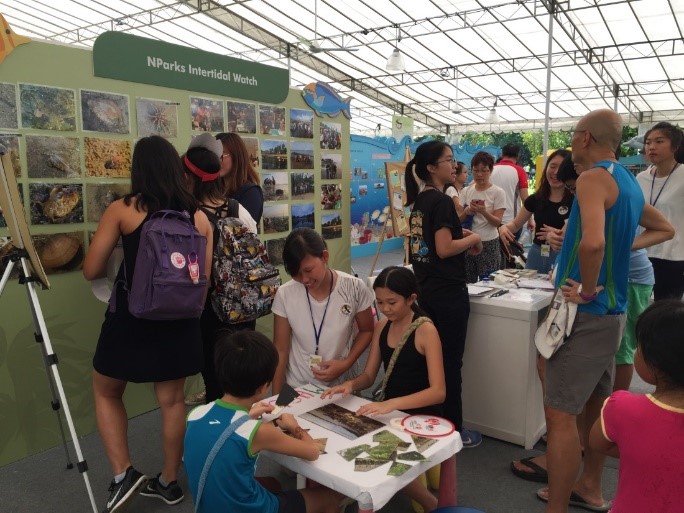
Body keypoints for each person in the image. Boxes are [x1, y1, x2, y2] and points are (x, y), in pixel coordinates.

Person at [536, 109, 674, 513]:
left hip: (587, 312)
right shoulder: (628, 182)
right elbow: (665, 228)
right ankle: (590, 488)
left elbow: (592, 244)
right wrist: (617, 252)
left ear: (584, 138)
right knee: (594, 406)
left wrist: (592, 284)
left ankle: (556, 507)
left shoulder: (595, 178)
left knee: (560, 417)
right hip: (609, 316)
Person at [83, 136, 214, 513]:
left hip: (132, 319)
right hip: (181, 324)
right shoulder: (199, 218)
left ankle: (123, 473)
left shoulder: (123, 209)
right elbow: (200, 285)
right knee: (172, 401)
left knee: (106, 390)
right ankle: (170, 482)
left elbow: (91, 269)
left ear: (138, 169)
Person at [321, 265, 444, 512]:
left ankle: (430, 502)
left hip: (420, 414)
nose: (385, 309)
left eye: (392, 302)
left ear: (411, 299)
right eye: (379, 302)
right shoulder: (381, 326)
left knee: (381, 459)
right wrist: (349, 384)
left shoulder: (425, 330)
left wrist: (392, 403)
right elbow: (368, 375)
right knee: (347, 441)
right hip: (390, 412)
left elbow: (438, 392)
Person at [184, 330, 344, 513]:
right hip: (248, 509)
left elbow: (223, 429)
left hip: (209, 506)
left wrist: (248, 415)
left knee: (273, 484)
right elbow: (313, 451)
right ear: (263, 387)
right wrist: (294, 426)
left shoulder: (195, 415)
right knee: (330, 498)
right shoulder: (260, 431)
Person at [406, 140, 483, 448]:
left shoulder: (422, 202)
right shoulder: (440, 202)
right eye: (449, 160)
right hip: (448, 294)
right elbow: (443, 248)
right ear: (431, 167)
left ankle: (434, 425)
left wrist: (459, 234)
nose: (454, 165)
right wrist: (474, 236)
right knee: (450, 364)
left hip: (426, 291)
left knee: (431, 364)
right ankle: (455, 431)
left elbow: (432, 241)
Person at [183, 133, 258, 404]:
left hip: (209, 311)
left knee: (215, 380)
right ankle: (249, 436)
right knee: (244, 377)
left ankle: (221, 438)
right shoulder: (238, 208)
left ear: (189, 178)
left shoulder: (191, 215)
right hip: (242, 304)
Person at [589, 300, 684, 513]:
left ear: (655, 363)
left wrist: (641, 450)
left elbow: (597, 444)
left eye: (638, 346)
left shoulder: (621, 408)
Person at [271, 228, 375, 394]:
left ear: (324, 257)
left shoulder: (353, 287)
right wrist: (276, 397)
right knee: (288, 420)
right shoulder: (285, 294)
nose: (304, 280)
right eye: (296, 274)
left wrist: (346, 363)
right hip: (296, 387)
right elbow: (280, 349)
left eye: (308, 270)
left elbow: (367, 330)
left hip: (341, 387)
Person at [499, 149, 573, 274]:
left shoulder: (575, 200)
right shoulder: (536, 199)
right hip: (536, 254)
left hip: (562, 255)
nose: (555, 172)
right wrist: (503, 228)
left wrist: (559, 235)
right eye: (552, 166)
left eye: (561, 168)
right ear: (546, 168)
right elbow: (516, 224)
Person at [636, 122, 684, 300]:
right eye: (648, 142)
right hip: (642, 253)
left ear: (675, 146)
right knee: (639, 311)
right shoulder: (641, 178)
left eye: (659, 141)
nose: (651, 147)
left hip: (673, 257)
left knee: (666, 315)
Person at [459, 151, 506, 283]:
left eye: (484, 170)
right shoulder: (466, 191)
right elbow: (458, 221)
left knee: (489, 282)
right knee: (468, 282)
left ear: (490, 170)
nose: (479, 174)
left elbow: (498, 222)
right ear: (471, 170)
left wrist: (484, 212)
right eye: (476, 170)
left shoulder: (498, 192)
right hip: (468, 243)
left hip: (489, 242)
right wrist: (467, 211)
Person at [215, 132, 264, 224]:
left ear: (236, 156)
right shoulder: (215, 188)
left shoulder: (251, 193)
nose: (217, 161)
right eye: (214, 155)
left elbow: (240, 235)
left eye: (222, 155)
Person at [490, 142, 529, 235]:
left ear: (502, 154)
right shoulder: (519, 171)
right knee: (511, 249)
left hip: (491, 220)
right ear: (518, 156)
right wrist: (530, 219)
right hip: (512, 223)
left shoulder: (490, 169)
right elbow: (526, 199)